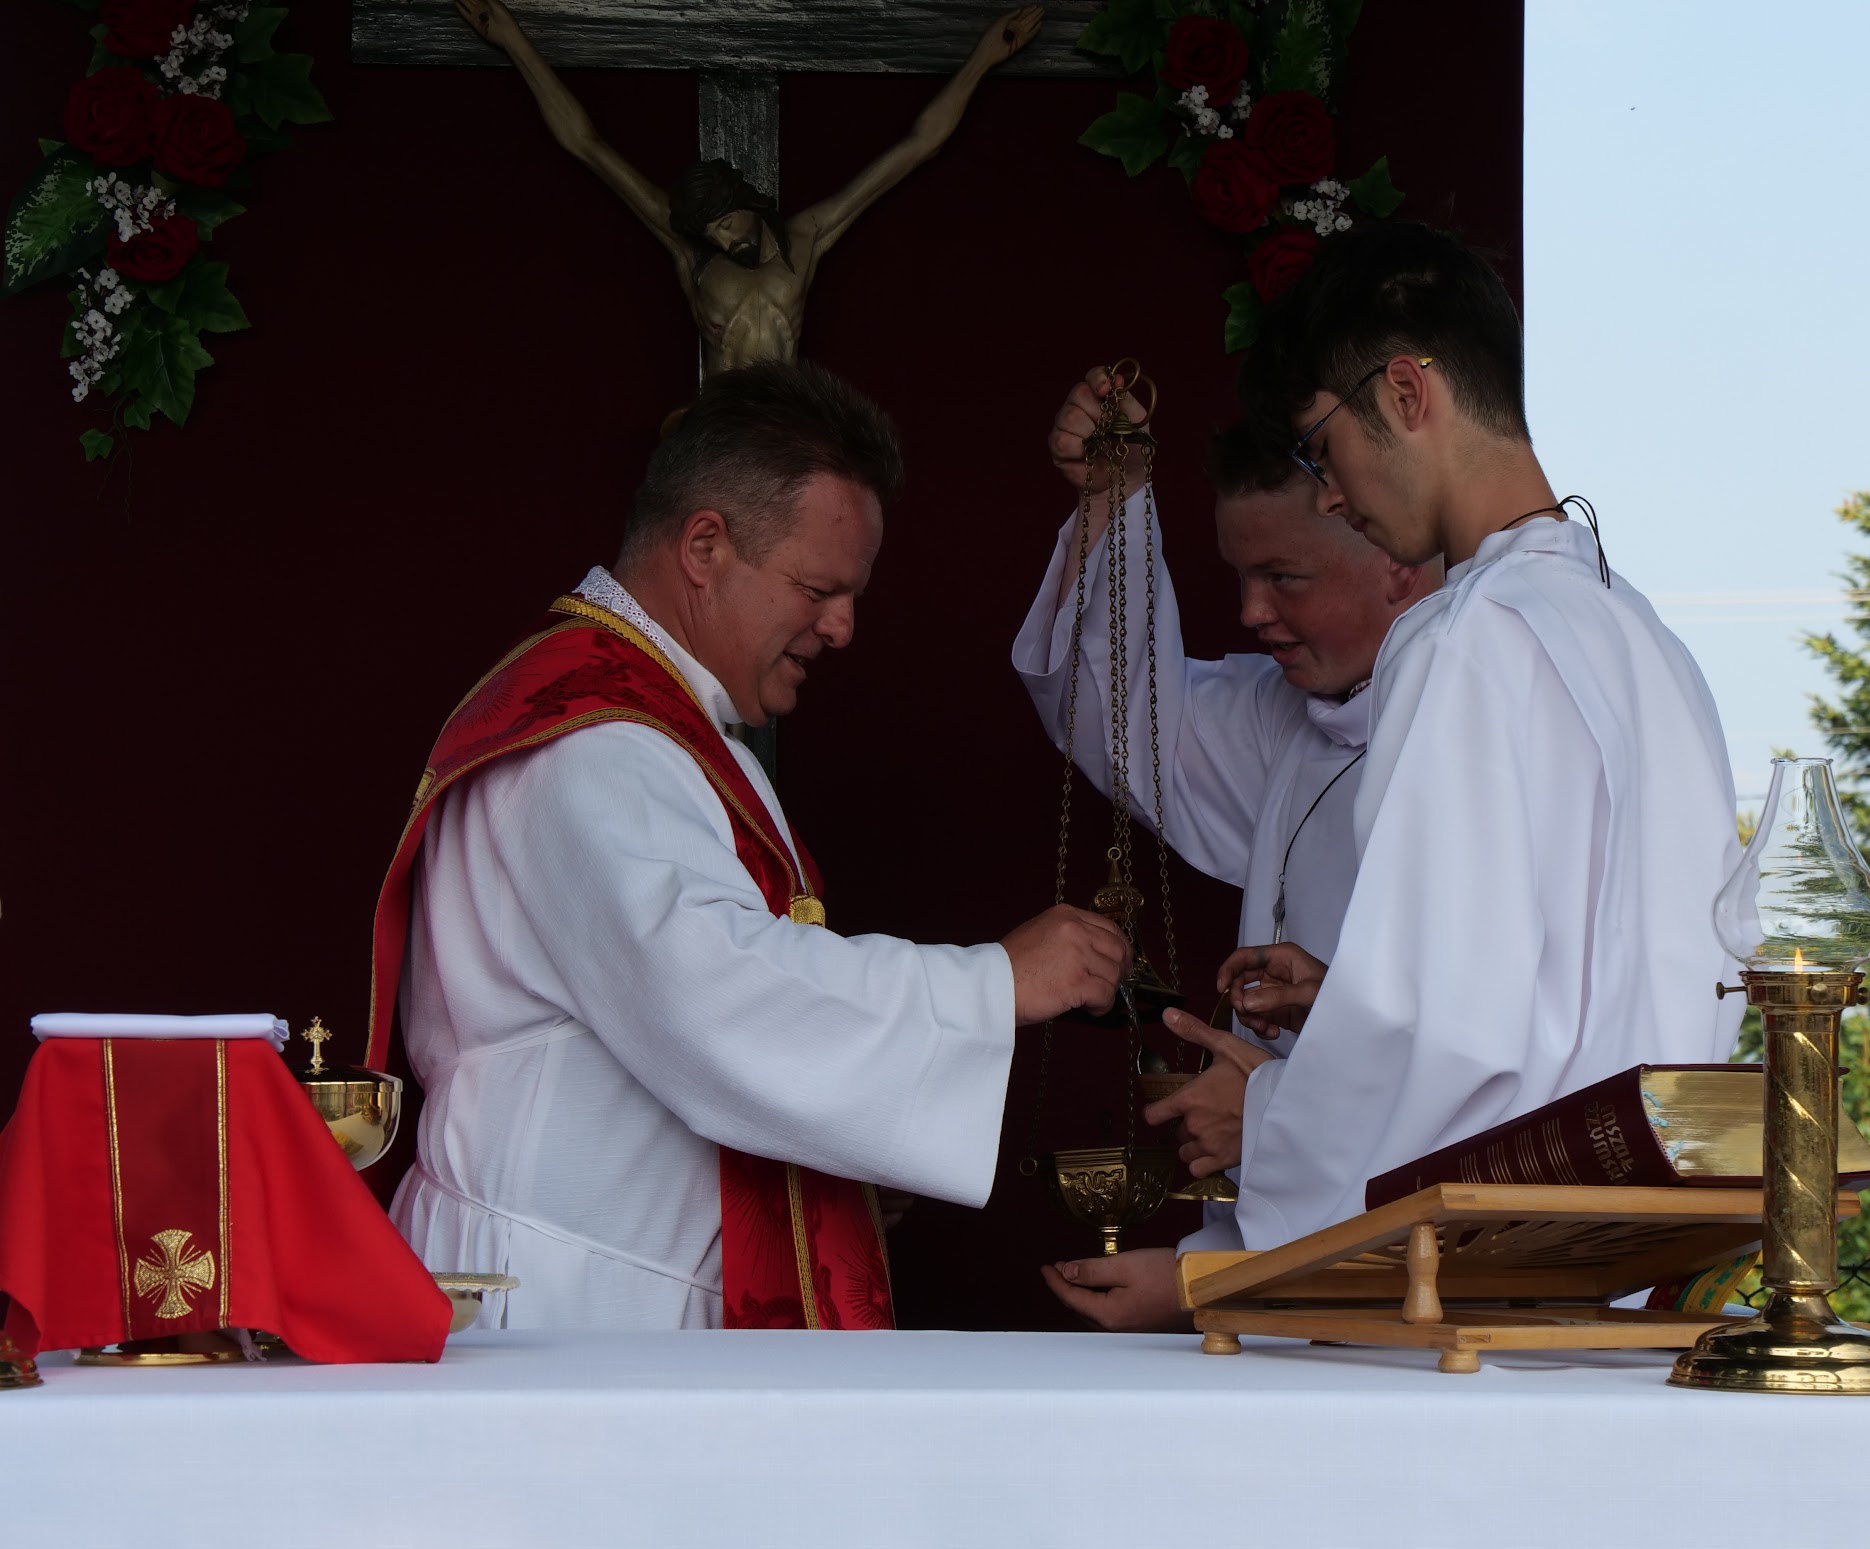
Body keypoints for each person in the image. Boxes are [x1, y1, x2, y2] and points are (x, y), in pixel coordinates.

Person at [1050, 220, 1744, 1328]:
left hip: (1459, 1286)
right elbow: (1569, 1002)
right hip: (1608, 1258)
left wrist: (1260, 1141)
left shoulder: (1463, 640)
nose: (1330, 493)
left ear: (1408, 393)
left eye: (1322, 449)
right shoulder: (1644, 638)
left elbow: (1451, 1036)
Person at [366, 360, 1130, 1329]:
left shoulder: (658, 725)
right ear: (705, 546)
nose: (843, 627)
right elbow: (710, 990)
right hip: (569, 1302)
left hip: (607, 1281)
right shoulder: (594, 745)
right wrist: (991, 985)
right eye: (818, 588)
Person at [1012, 370, 1438, 1297]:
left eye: (1283, 576)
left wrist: (1269, 1127)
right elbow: (1118, 716)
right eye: (1242, 575)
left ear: (1396, 555)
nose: (1250, 612)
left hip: (1426, 1275)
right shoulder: (1288, 718)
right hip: (1279, 1265)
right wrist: (1114, 499)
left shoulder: (1484, 739)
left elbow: (1479, 1056)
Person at [449, 0, 1042, 370]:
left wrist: (983, 58)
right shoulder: (694, 254)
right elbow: (587, 146)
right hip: (722, 431)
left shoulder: (806, 238)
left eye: (728, 222)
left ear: (749, 204)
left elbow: (916, 146)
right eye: (712, 231)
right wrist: (513, 40)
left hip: (786, 425)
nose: (724, 239)